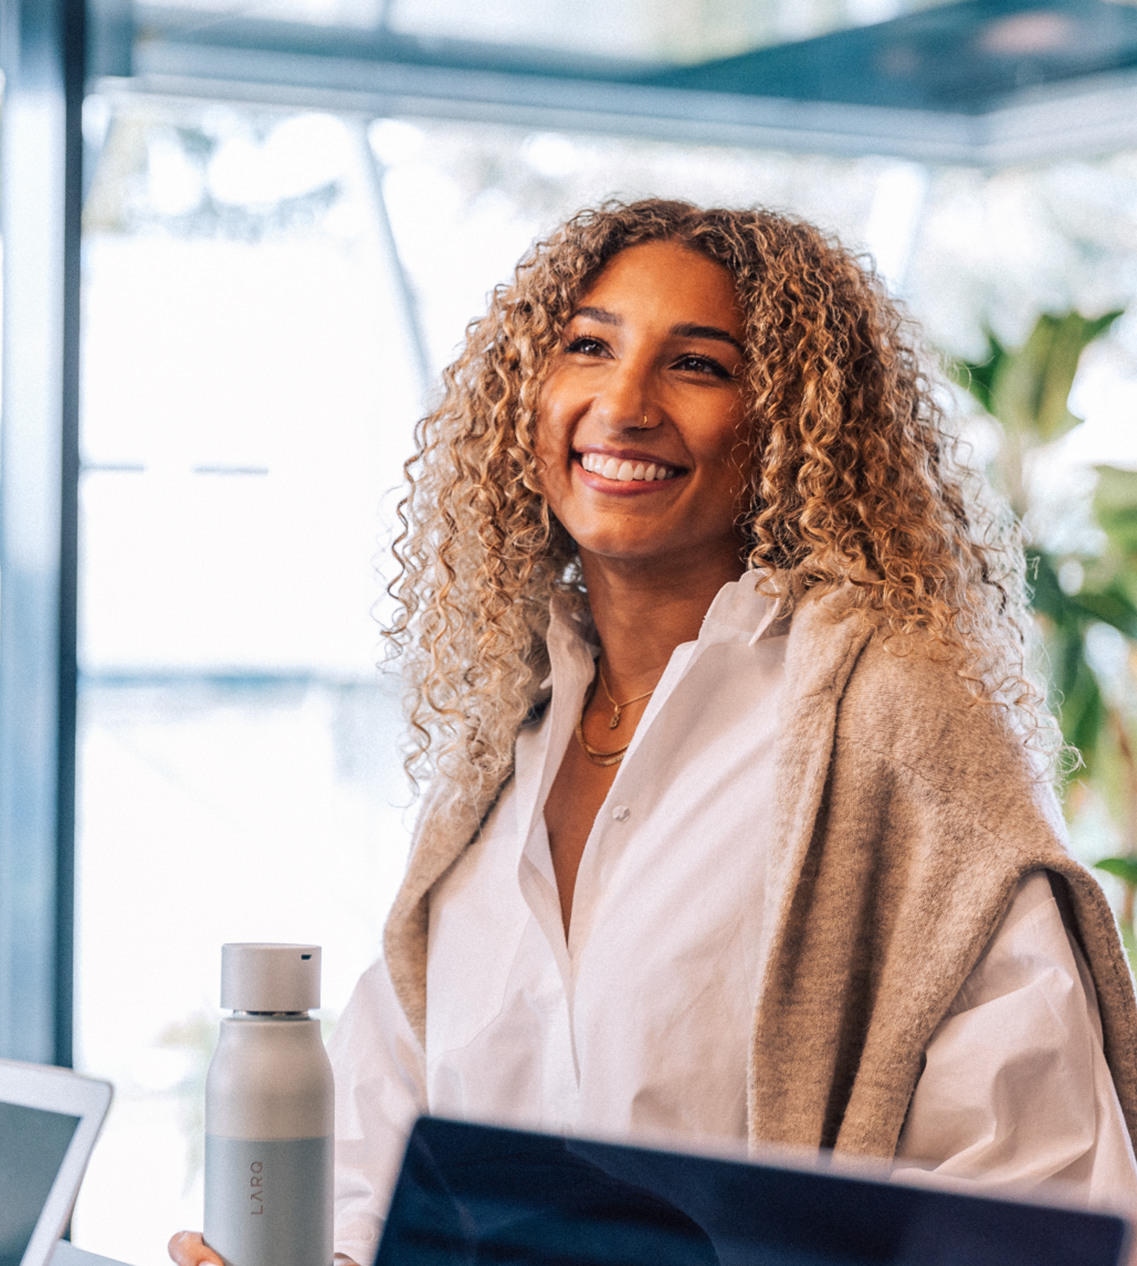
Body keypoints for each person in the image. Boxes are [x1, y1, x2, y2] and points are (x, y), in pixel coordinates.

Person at [170, 198, 1137, 1266]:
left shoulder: (892, 731)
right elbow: (378, 1138)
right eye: (588, 346)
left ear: (792, 424)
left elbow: (1041, 1196)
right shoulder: (501, 752)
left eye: (699, 366)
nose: (622, 404)